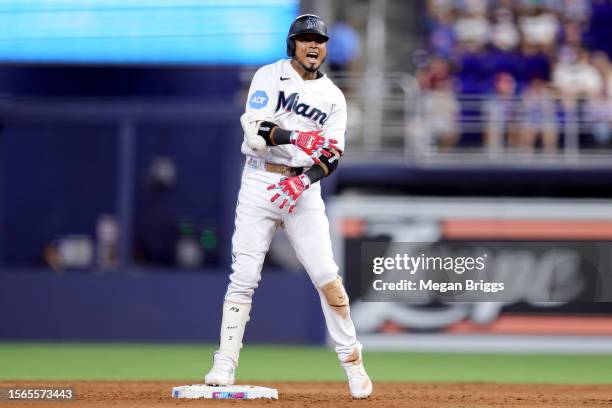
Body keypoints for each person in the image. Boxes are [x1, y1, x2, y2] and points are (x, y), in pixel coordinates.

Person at [203, 14, 373, 399]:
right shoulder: (270, 75)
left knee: (328, 277)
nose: (314, 45)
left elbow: (331, 157)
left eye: (320, 40)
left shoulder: (334, 97)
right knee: (243, 275)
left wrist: (303, 179)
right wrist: (298, 136)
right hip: (261, 179)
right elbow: (256, 130)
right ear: (292, 44)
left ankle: (353, 362)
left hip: (301, 188)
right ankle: (224, 363)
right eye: (306, 39)